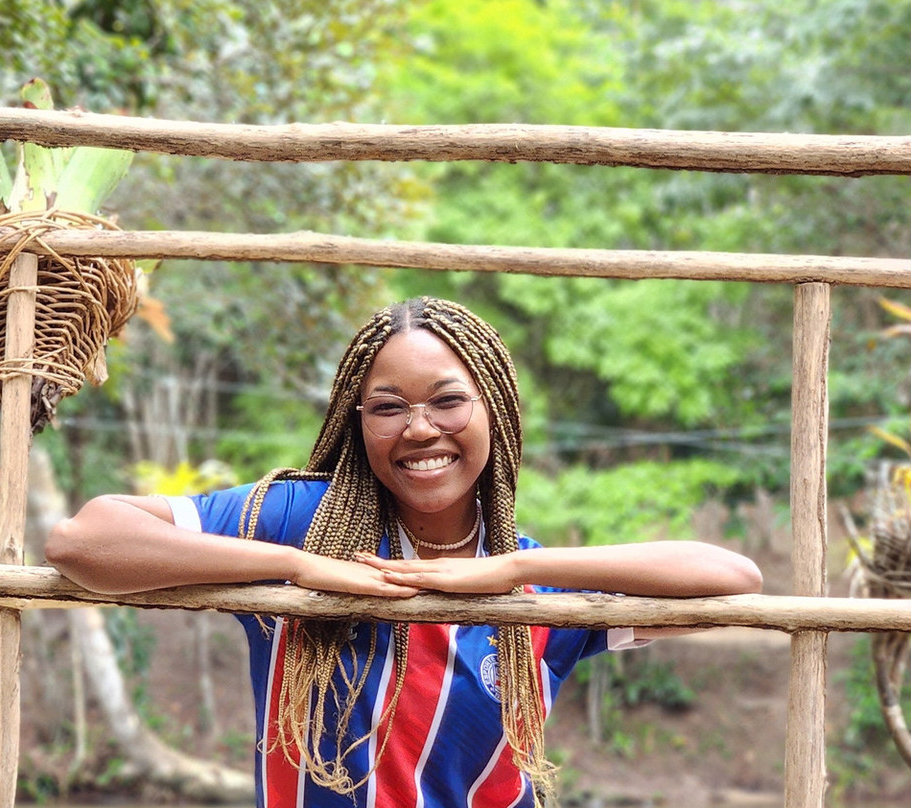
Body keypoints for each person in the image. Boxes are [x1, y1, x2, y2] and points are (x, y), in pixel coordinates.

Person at [46, 296, 762, 808]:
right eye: (388, 407)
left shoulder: (537, 596)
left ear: (497, 411)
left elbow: (732, 582)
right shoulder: (301, 521)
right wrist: (292, 568)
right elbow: (83, 541)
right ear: (359, 424)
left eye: (448, 401)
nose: (419, 429)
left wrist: (519, 569)